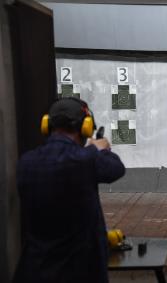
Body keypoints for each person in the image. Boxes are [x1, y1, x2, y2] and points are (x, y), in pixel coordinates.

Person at [13, 98, 125, 283]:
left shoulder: (26, 162)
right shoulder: (86, 159)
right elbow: (115, 169)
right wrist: (100, 149)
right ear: (85, 127)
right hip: (79, 272)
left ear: (47, 125)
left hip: (34, 270)